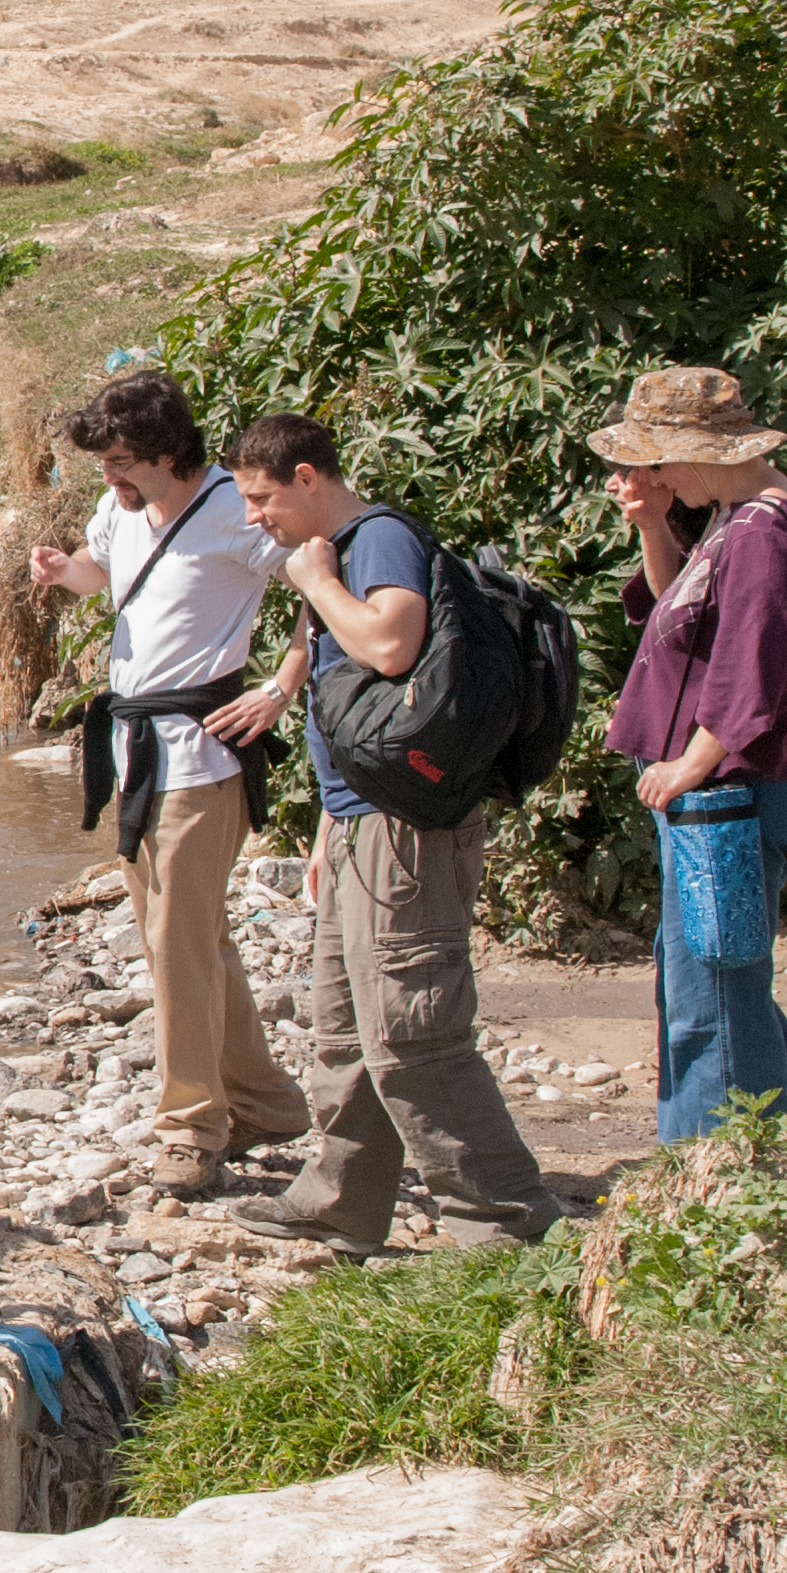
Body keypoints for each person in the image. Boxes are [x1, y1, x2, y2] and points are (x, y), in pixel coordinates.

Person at [222, 416, 561, 1253]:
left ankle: (510, 1224)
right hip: (360, 819)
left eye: (263, 499)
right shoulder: (343, 549)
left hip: (405, 828)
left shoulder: (374, 540)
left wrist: (313, 579)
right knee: (343, 1025)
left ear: (308, 477)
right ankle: (340, 1198)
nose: (257, 517)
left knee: (413, 1030)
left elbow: (388, 640)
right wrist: (328, 829)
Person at [28, 370, 312, 1195]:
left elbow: (322, 587)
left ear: (167, 453)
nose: (108, 480)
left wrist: (279, 688)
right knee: (188, 940)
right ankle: (266, 1100)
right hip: (134, 750)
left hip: (204, 754)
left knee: (175, 948)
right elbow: (106, 575)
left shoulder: (233, 510)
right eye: (102, 466)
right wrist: (64, 571)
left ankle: (191, 1127)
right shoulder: (125, 511)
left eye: (121, 463)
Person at [597, 367, 787, 1140]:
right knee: (706, 969)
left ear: (693, 449)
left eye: (658, 460)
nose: (653, 475)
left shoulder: (763, 534)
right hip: (723, 792)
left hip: (730, 792)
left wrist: (690, 763)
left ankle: (717, 1171)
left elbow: (747, 669)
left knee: (713, 995)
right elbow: (677, 614)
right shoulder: (744, 511)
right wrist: (652, 523)